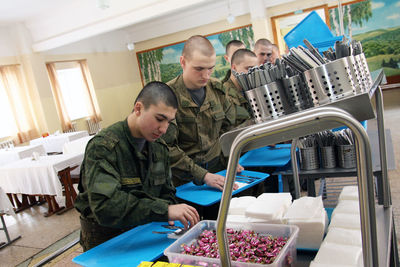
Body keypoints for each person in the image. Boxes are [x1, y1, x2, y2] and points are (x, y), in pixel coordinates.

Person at [75, 81, 200, 251]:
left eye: (169, 122)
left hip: (146, 233)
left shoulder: (158, 147)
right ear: (138, 108)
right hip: (108, 242)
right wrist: (165, 210)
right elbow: (105, 207)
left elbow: (166, 193)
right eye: (159, 119)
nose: (163, 129)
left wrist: (173, 211)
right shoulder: (104, 147)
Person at [162, 35, 241, 191]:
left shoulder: (218, 89)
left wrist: (230, 159)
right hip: (184, 180)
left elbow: (227, 129)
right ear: (183, 62)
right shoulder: (166, 96)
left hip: (218, 170)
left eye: (210, 68)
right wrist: (203, 175)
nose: (206, 75)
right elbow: (166, 147)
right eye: (198, 69)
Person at [222, 48, 258, 126]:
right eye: (248, 68)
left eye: (255, 69)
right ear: (234, 68)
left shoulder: (250, 89)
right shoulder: (225, 94)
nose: (252, 72)